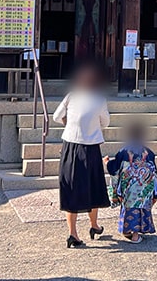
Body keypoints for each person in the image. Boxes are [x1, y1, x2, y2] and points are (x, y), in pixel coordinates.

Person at [53, 62, 111, 248]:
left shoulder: (71, 96)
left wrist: (70, 124)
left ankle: (73, 234)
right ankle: (94, 225)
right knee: (92, 187)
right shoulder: (99, 100)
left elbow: (55, 116)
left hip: (70, 146)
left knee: (71, 187)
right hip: (91, 148)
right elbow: (106, 122)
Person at [105, 120, 157, 243]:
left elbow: (114, 168)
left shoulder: (124, 151)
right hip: (144, 189)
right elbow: (154, 171)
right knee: (140, 206)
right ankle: (134, 233)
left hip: (129, 188)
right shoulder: (149, 152)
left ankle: (133, 235)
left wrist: (107, 163)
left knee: (129, 208)